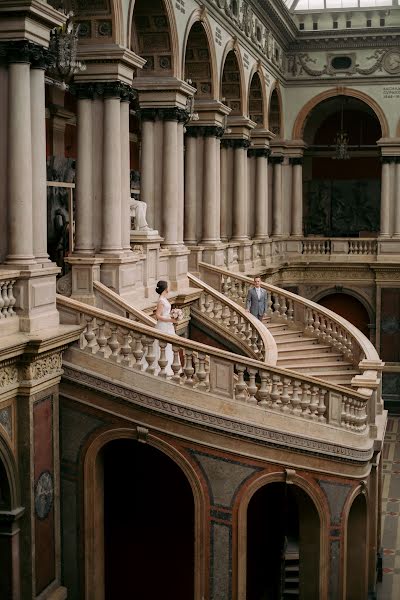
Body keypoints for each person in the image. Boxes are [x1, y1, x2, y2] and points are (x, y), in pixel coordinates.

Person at [154, 280, 177, 375]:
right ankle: (162, 368)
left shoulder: (164, 298)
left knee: (170, 346)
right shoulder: (161, 301)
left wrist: (173, 315)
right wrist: (170, 320)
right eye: (167, 286)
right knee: (164, 345)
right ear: (165, 288)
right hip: (163, 326)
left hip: (168, 326)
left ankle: (169, 367)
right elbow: (158, 316)